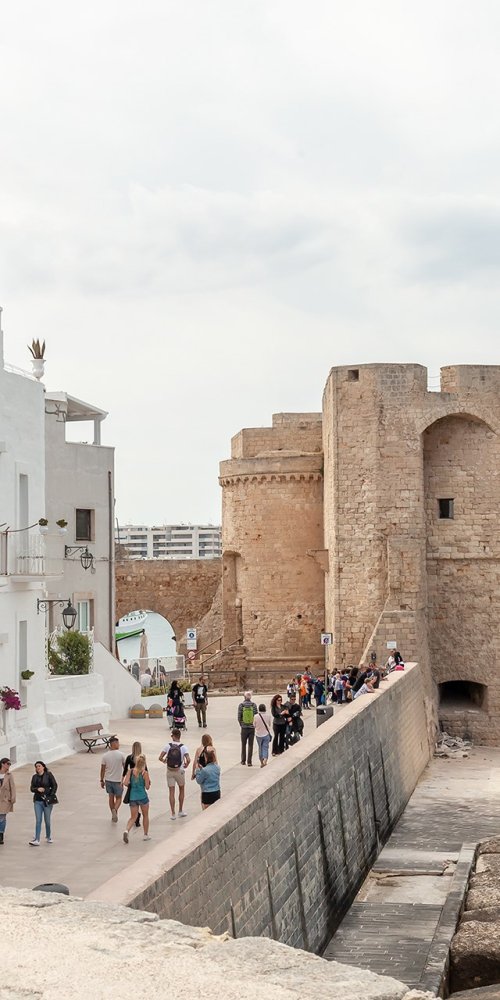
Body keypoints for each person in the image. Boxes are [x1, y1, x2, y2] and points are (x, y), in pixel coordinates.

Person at [159, 728, 190, 820]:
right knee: (181, 789)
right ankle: (180, 810)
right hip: (179, 771)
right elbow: (188, 759)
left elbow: (160, 757)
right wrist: (186, 765)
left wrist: (165, 761)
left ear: (173, 736)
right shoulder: (183, 747)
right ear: (179, 736)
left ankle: (173, 813)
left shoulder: (167, 746)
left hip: (170, 771)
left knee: (171, 792)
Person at [122, 753, 151, 843]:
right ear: (144, 763)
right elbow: (147, 787)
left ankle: (126, 830)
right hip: (142, 797)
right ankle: (145, 835)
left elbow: (125, 783)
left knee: (133, 817)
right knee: (145, 816)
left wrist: (131, 784)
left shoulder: (130, 771)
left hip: (133, 797)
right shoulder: (144, 773)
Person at [29, 761, 58, 846]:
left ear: (43, 767)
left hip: (47, 801)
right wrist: (37, 789)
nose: (38, 768)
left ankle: (48, 836)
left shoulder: (48, 775)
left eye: (39, 766)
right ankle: (37, 839)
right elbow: (31, 788)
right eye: (36, 766)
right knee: (38, 820)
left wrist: (50, 794)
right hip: (37, 801)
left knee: (47, 820)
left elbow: (55, 785)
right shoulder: (34, 777)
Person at [100, 735, 125, 822]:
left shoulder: (105, 756)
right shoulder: (121, 755)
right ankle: (115, 810)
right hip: (118, 780)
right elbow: (125, 768)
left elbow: (102, 769)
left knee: (111, 797)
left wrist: (101, 780)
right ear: (114, 743)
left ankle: (113, 814)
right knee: (118, 798)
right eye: (118, 743)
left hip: (108, 780)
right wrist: (125, 779)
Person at [123, 741, 144, 828]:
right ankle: (138, 815)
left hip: (131, 780)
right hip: (140, 779)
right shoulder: (142, 758)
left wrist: (122, 779)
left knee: (132, 797)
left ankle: (136, 814)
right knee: (140, 796)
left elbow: (125, 769)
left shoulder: (129, 757)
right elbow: (145, 768)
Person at [238, 690, 258, 766]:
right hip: (251, 728)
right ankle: (249, 762)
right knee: (250, 745)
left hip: (244, 728)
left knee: (243, 745)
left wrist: (242, 724)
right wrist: (253, 725)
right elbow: (256, 716)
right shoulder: (254, 705)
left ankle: (243, 761)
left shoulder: (241, 705)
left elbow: (239, 717)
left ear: (244, 697)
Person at [0, 757, 15, 845]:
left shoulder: (9, 775)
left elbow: (12, 787)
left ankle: (1, 835)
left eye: (10, 764)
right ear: (2, 764)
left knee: (2, 818)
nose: (9, 765)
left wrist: (13, 798)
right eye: (8, 764)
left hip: (5, 800)